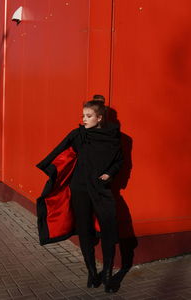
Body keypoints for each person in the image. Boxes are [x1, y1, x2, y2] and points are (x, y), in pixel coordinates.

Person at [36, 100, 124, 293]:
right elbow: (60, 152)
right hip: (80, 189)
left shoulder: (113, 137)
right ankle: (92, 272)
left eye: (89, 116)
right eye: (83, 116)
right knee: (84, 230)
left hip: (101, 189)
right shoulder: (79, 135)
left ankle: (108, 275)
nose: (84, 119)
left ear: (99, 118)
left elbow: (119, 161)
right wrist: (51, 171)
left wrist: (110, 173)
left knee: (109, 229)